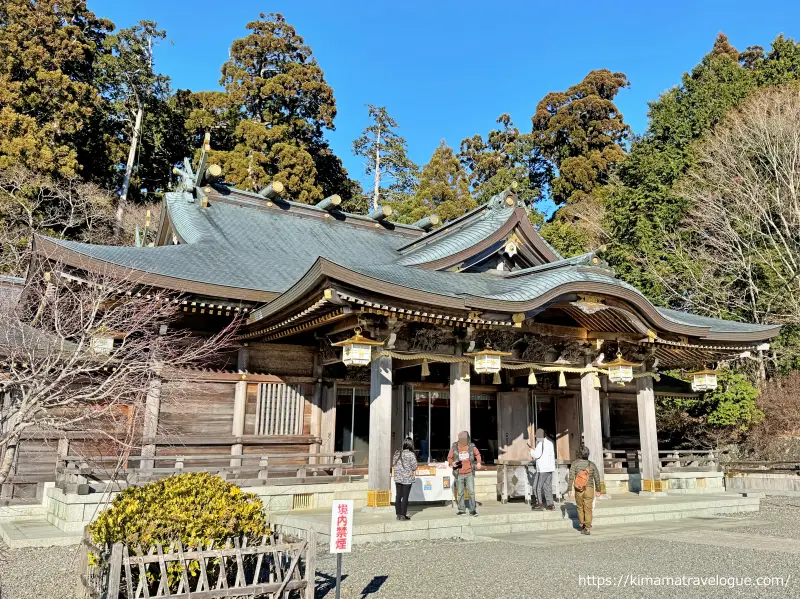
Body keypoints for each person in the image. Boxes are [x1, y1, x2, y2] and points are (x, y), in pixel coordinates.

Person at [568, 445, 602, 535]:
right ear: (588, 454)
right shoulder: (592, 465)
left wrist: (569, 489)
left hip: (579, 488)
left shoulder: (575, 464)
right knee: (588, 508)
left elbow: (571, 476)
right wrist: (598, 489)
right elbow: (597, 478)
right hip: (590, 488)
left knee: (580, 507)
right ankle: (587, 528)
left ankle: (582, 524)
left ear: (579, 454)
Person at [447, 431, 482, 516]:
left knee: (471, 492)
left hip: (469, 472)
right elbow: (449, 457)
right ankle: (461, 509)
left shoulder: (471, 446)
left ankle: (472, 510)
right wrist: (452, 463)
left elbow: (477, 454)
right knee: (460, 492)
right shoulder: (454, 446)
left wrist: (479, 462)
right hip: (459, 473)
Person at [529, 428, 556, 511]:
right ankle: (550, 504)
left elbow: (536, 455)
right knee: (548, 487)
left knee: (537, 486)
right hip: (550, 469)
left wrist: (531, 451)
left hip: (542, 469)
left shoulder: (540, 444)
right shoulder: (550, 443)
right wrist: (535, 450)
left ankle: (539, 504)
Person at [392, 438, 417, 521]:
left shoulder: (397, 453)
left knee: (398, 495)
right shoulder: (411, 454)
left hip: (398, 478)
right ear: (411, 445)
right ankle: (403, 515)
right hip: (407, 478)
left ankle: (398, 514)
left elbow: (393, 463)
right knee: (405, 497)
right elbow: (414, 467)